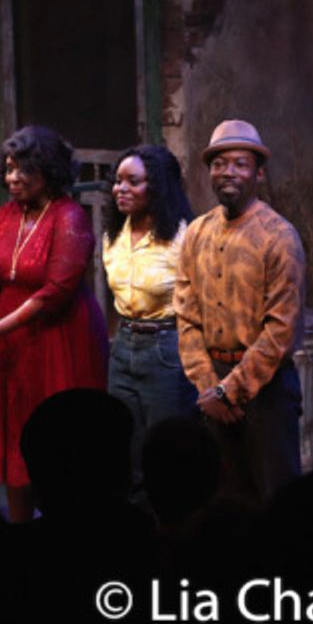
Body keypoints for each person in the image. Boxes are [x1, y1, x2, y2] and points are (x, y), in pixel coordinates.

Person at [0, 125, 107, 522]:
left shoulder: (69, 216)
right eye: (8, 169)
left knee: (61, 438)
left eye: (23, 170)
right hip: (13, 342)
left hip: (60, 338)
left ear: (49, 171)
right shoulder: (6, 216)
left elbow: (56, 291)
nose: (12, 178)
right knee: (16, 433)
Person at [174, 119, 305, 505]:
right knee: (224, 503)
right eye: (218, 164)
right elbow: (186, 315)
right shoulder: (197, 233)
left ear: (258, 173)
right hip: (211, 386)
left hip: (266, 390)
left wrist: (230, 390)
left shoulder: (279, 237)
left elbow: (281, 330)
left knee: (276, 500)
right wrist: (208, 387)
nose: (227, 172)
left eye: (240, 164)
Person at [102, 144, 195, 483]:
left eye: (133, 181)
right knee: (126, 447)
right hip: (123, 347)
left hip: (166, 348)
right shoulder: (114, 235)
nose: (121, 189)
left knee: (166, 450)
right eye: (118, 181)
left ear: (156, 186)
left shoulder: (184, 236)